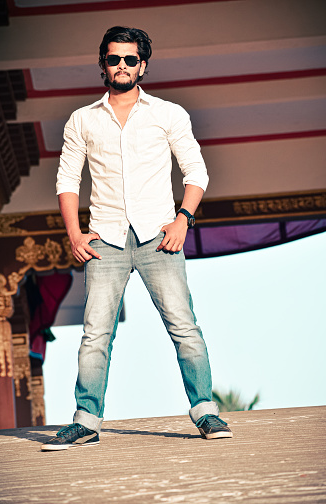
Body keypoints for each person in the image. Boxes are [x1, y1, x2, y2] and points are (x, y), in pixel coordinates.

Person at [42, 26, 233, 451]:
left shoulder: (168, 114)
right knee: (95, 333)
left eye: (130, 59)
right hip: (104, 238)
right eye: (114, 59)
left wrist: (183, 219)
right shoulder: (83, 120)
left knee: (184, 327)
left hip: (158, 236)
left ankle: (205, 410)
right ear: (103, 65)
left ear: (142, 65)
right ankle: (86, 420)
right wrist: (74, 233)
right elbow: (67, 179)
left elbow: (196, 173)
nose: (122, 66)